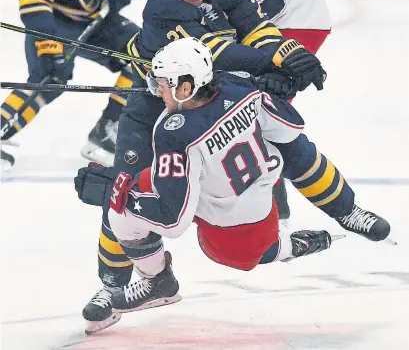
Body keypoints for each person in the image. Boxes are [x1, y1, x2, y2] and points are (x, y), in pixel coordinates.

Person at [75, 37, 391, 334]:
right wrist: (256, 91)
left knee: (120, 210)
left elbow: (172, 221)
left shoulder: (174, 131)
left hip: (227, 237)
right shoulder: (238, 89)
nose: (158, 92)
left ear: (186, 87)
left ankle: (158, 282)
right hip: (262, 208)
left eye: (163, 85)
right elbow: (288, 129)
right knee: (152, 183)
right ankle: (298, 240)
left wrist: (116, 193)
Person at [85, 0, 328, 319]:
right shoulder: (161, 8)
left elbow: (253, 26)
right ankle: (115, 285)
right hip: (153, 104)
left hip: (203, 100)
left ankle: (279, 232)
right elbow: (215, 54)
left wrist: (287, 53)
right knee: (122, 186)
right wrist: (269, 68)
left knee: (231, 188)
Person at [0, 0, 149, 171]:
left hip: (96, 19)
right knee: (50, 80)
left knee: (144, 55)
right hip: (54, 22)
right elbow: (33, 0)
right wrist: (48, 43)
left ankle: (107, 131)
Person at [228, 0, 332, 221]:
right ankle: (274, 206)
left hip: (291, 25)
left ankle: (273, 209)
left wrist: (245, 23)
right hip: (308, 17)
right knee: (260, 107)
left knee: (253, 108)